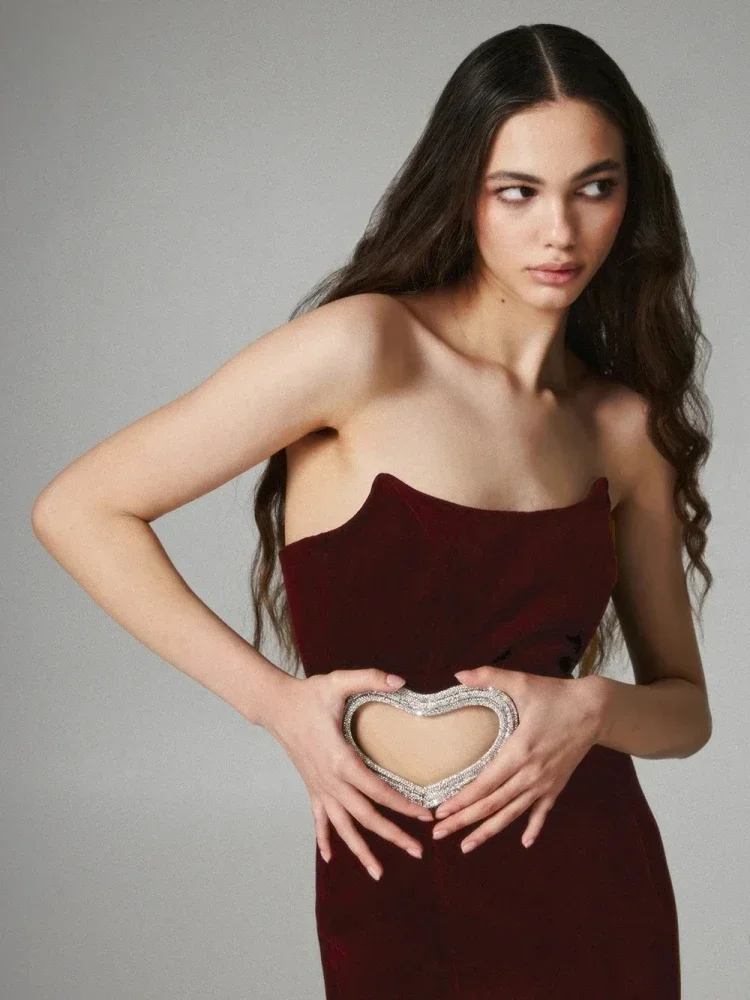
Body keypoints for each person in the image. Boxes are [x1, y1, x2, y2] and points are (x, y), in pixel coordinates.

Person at [32, 22, 713, 1000]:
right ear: (464, 190)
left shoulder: (618, 428)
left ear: (629, 199)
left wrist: (593, 706)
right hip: (395, 882)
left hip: (594, 886)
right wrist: (273, 701)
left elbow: (686, 711)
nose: (559, 232)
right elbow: (80, 508)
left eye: (594, 187)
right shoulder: (363, 352)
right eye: (517, 191)